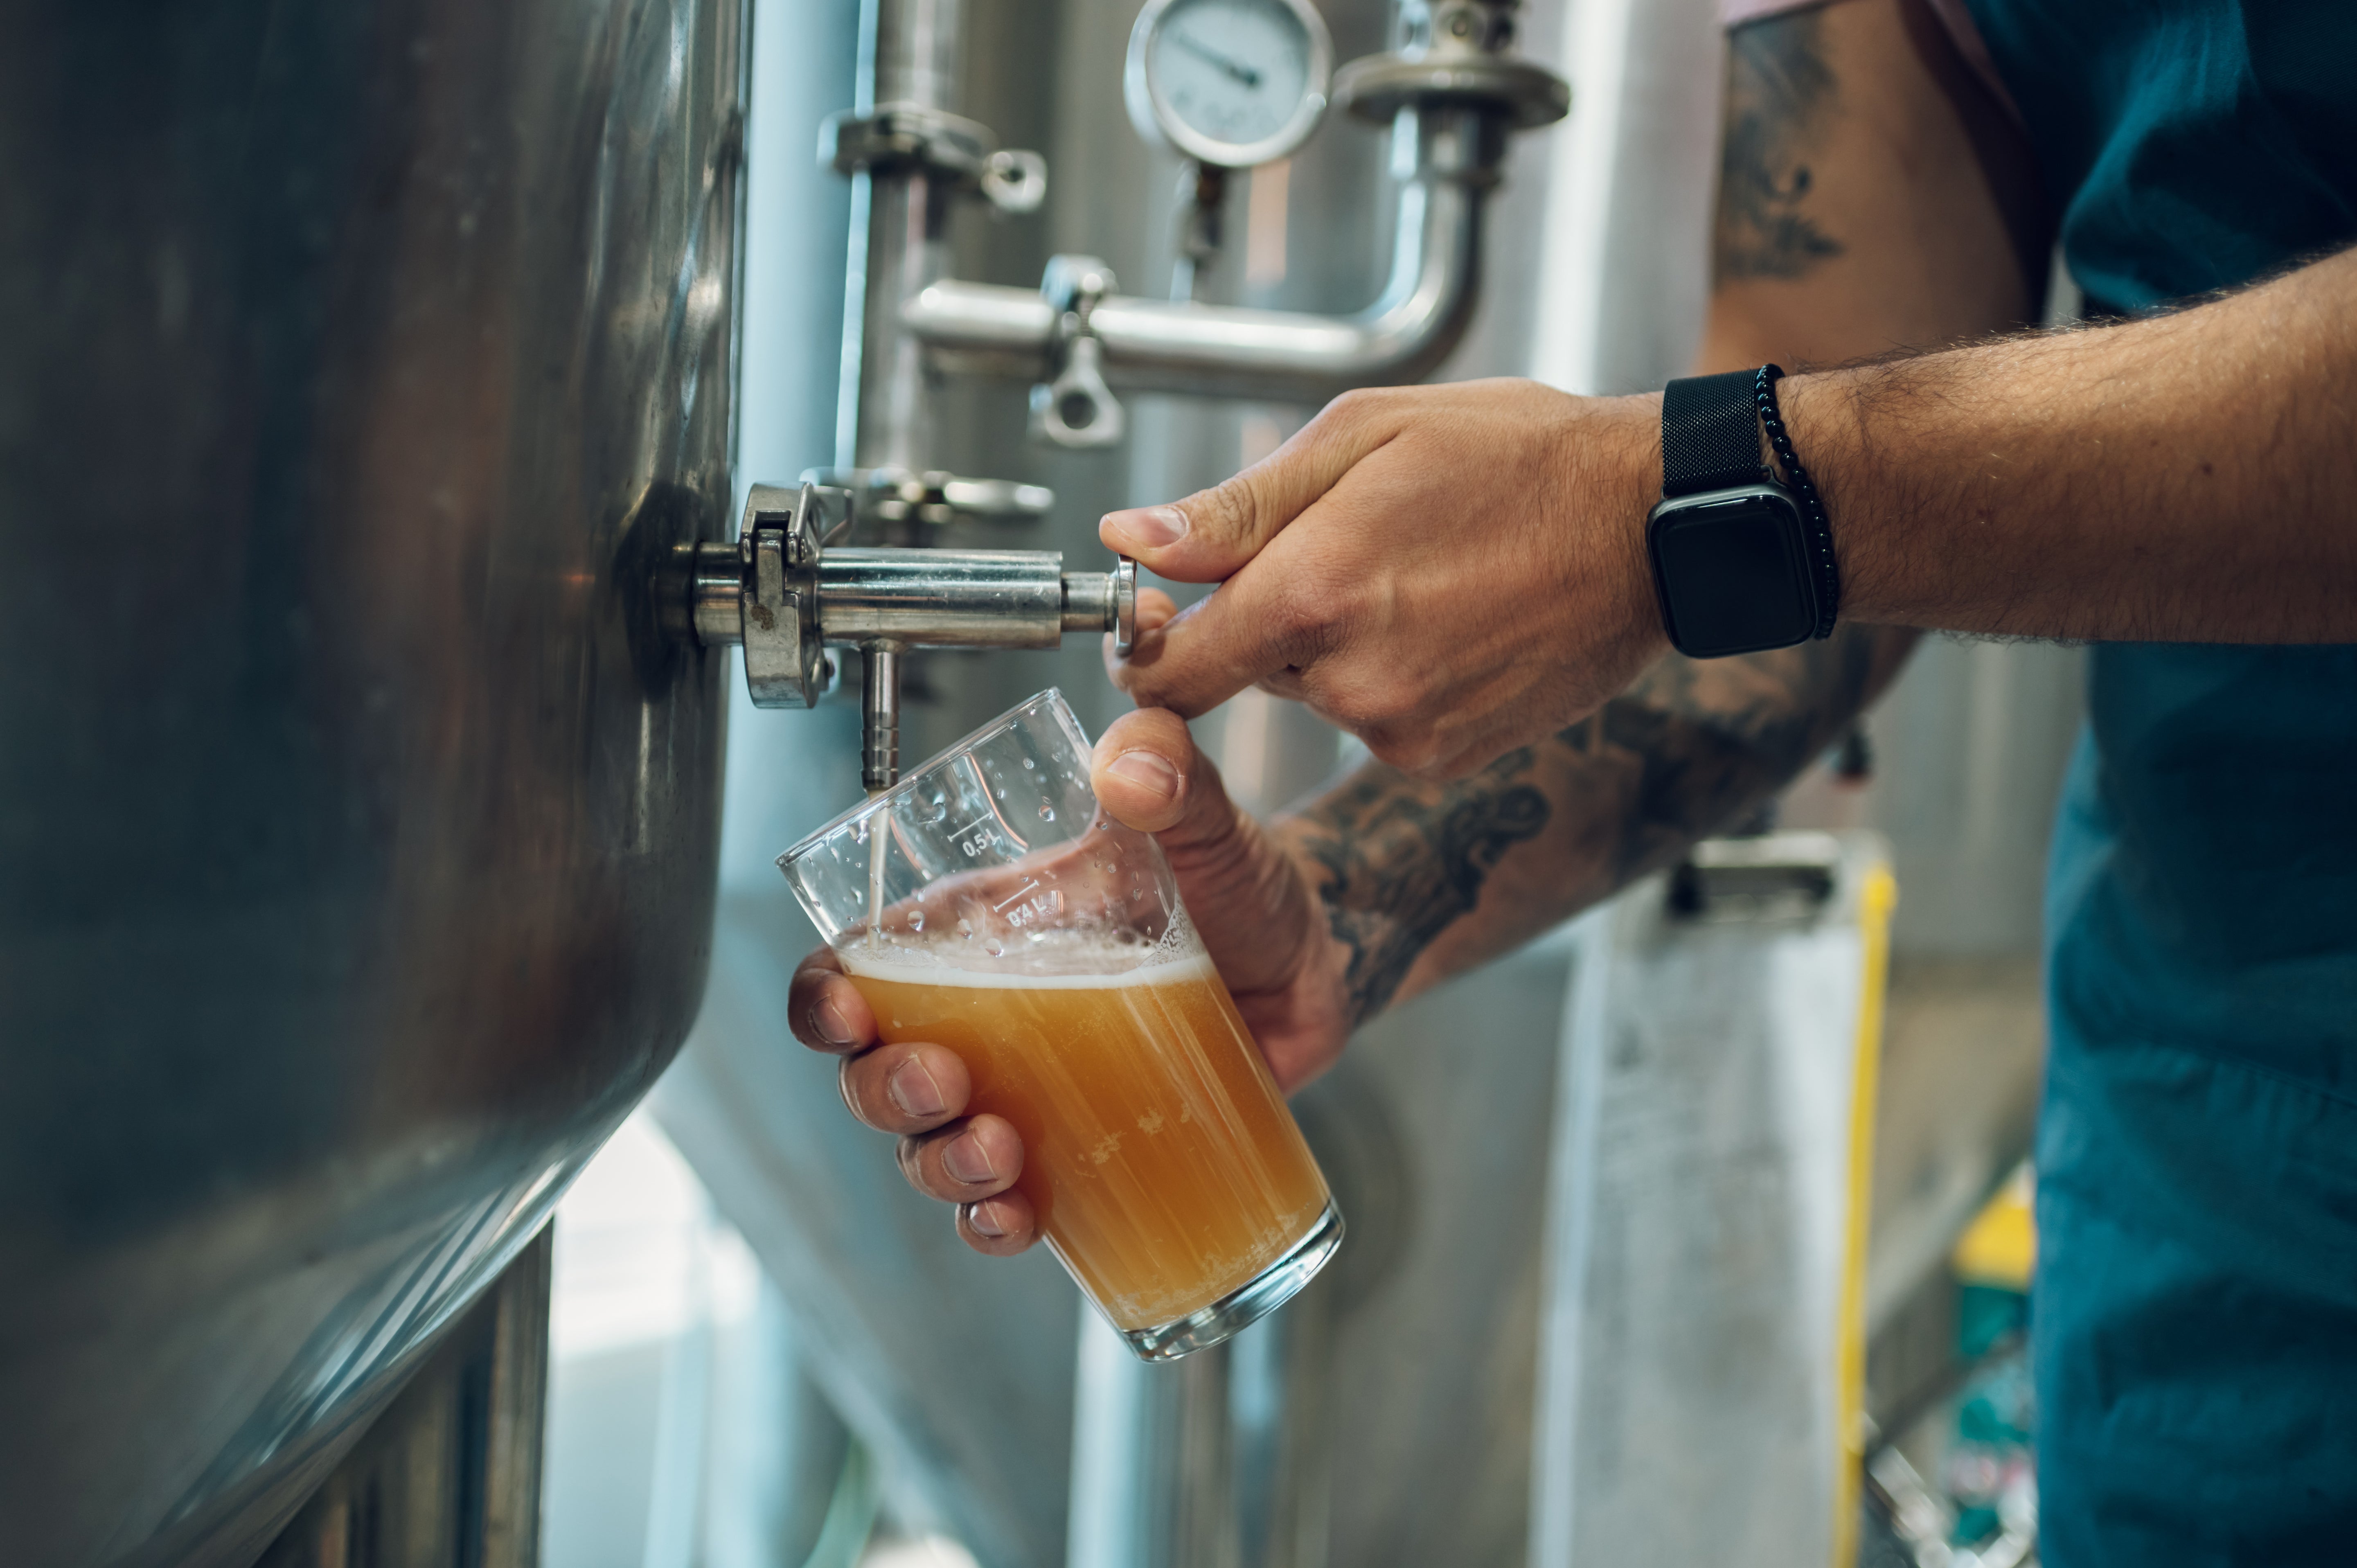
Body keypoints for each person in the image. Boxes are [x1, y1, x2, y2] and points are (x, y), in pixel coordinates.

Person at [791, 0, 2357, 1557]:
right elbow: (1795, 514)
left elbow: (1768, 489)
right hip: (2207, 1198)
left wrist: (1665, 495)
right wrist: (1345, 901)